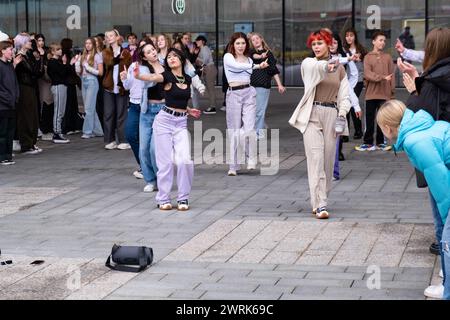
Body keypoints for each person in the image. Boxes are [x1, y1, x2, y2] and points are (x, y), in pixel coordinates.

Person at [377, 100, 449, 300]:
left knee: (447, 236)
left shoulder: (414, 141)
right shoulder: (420, 128)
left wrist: (447, 219)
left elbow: (441, 183)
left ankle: (448, 290)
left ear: (388, 127)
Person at [397, 27, 450, 299]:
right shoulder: (433, 79)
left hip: (439, 155)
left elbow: (421, 119)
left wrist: (414, 91)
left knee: (443, 218)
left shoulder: (429, 82)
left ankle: (446, 278)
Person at [288, 29, 351, 219]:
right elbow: (316, 70)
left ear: (329, 44)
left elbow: (345, 95)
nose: (316, 47)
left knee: (328, 161)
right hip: (311, 115)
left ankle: (320, 199)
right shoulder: (309, 64)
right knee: (316, 159)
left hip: (332, 114)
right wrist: (326, 67)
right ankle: (321, 203)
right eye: (313, 44)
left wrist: (342, 115)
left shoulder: (340, 68)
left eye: (320, 43)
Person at [135, 47, 202, 211]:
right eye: (169, 56)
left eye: (175, 56)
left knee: (185, 160)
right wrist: (138, 75)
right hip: (164, 122)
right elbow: (151, 76)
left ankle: (183, 198)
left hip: (181, 122)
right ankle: (163, 198)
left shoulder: (187, 79)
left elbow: (179, 99)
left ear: (182, 59)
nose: (171, 58)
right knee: (165, 163)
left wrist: (188, 110)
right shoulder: (166, 76)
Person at [223, 32, 269, 176]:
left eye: (243, 43)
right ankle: (233, 165)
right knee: (234, 130)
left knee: (249, 128)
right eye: (238, 43)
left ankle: (250, 158)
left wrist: (256, 65)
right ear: (233, 45)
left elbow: (245, 68)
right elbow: (236, 67)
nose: (241, 46)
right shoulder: (228, 57)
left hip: (249, 92)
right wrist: (257, 66)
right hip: (233, 94)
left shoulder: (248, 60)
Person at [355, 31, 395, 152]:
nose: (382, 43)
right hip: (371, 94)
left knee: (382, 119)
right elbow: (368, 74)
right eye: (380, 40)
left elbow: (391, 76)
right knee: (369, 119)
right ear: (373, 41)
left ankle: (380, 143)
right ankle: (367, 143)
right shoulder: (367, 57)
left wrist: (392, 94)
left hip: (385, 94)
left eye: (384, 41)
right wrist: (382, 77)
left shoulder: (387, 57)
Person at [249, 32, 286, 139]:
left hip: (263, 85)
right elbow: (255, 56)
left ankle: (259, 133)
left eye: (257, 38)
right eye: (253, 40)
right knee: (251, 110)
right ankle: (259, 127)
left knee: (259, 110)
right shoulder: (251, 53)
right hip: (250, 86)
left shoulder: (269, 54)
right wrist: (261, 56)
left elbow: (273, 70)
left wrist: (279, 85)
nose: (255, 41)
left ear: (261, 39)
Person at [14, 32, 44, 154]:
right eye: (28, 41)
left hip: (30, 88)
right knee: (26, 116)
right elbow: (34, 71)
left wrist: (39, 58)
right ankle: (26, 145)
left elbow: (38, 72)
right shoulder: (20, 57)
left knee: (32, 116)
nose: (31, 43)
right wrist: (40, 58)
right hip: (24, 89)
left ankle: (31, 143)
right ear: (22, 43)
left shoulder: (27, 56)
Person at [102, 29, 132, 150]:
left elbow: (128, 66)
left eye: (111, 35)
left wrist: (121, 58)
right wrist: (118, 58)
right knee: (108, 114)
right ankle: (110, 140)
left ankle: (123, 140)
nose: (109, 37)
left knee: (122, 114)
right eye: (107, 36)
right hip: (109, 87)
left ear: (117, 37)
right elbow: (108, 63)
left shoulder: (125, 52)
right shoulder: (106, 52)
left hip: (121, 87)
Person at [47, 43, 77, 144]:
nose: (60, 51)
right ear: (53, 51)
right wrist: (66, 63)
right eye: (58, 49)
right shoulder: (52, 62)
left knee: (61, 110)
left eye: (60, 49)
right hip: (58, 86)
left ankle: (58, 132)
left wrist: (67, 64)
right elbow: (62, 72)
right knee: (58, 110)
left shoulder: (58, 61)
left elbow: (66, 72)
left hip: (62, 86)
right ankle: (56, 133)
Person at [75, 37, 104, 139]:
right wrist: (77, 65)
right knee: (90, 108)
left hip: (92, 81)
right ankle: (98, 131)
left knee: (88, 108)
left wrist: (88, 67)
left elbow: (100, 73)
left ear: (93, 45)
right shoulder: (83, 56)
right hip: (84, 81)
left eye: (90, 43)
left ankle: (87, 131)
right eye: (86, 43)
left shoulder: (97, 56)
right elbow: (79, 72)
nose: (87, 45)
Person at [343, 27, 367, 140]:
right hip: (346, 81)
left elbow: (367, 62)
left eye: (351, 35)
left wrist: (360, 59)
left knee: (353, 103)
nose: (349, 38)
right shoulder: (343, 50)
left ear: (355, 37)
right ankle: (345, 133)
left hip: (358, 80)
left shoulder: (360, 49)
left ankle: (358, 131)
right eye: (347, 35)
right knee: (345, 105)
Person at [0, 40, 21, 165]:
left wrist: (16, 97)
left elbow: (15, 83)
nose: (12, 52)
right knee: (2, 132)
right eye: (9, 50)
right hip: (2, 106)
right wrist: (8, 98)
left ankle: (8, 155)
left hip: (12, 105)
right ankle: (2, 156)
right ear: (2, 51)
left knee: (9, 132)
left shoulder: (9, 65)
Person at [194, 35, 218, 114]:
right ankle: (212, 106)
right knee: (209, 88)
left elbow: (205, 61)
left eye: (198, 40)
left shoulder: (205, 48)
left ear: (202, 42)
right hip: (207, 69)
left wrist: (196, 59)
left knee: (210, 89)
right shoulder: (202, 49)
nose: (196, 42)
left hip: (209, 68)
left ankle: (212, 107)